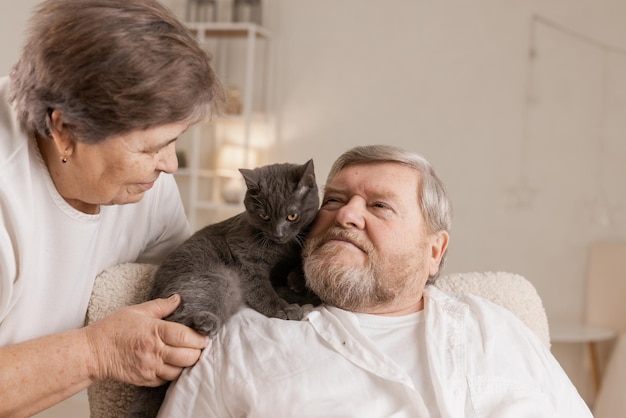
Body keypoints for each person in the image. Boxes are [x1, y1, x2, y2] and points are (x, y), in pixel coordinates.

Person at [157, 144, 593, 417]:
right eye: (335, 200)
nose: (347, 214)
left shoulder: (500, 329)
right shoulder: (240, 341)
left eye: (380, 206)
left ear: (434, 251)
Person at [0, 0, 225, 415]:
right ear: (64, 131)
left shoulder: (148, 185)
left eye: (175, 140)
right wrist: (95, 352)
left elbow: (184, 285)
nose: (170, 164)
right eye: (151, 147)